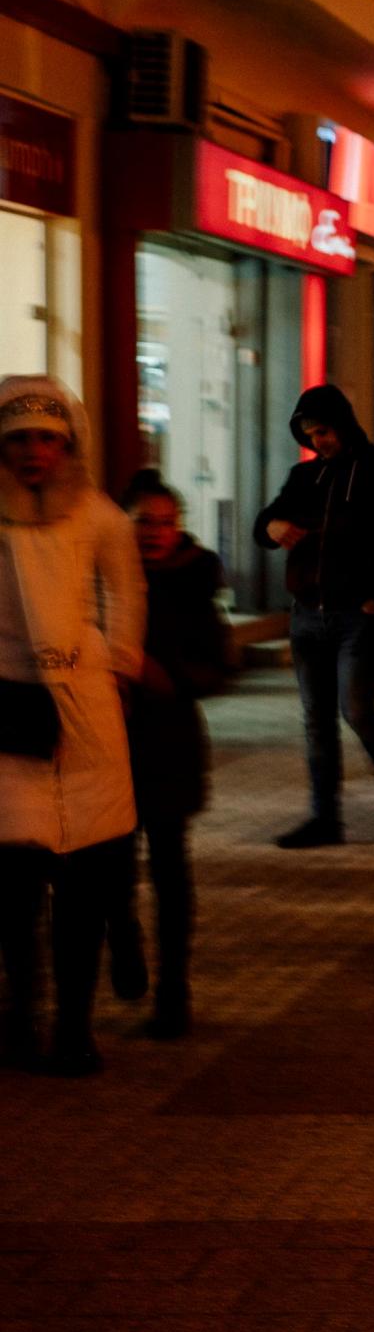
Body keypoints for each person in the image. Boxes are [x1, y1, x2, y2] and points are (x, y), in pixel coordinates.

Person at [0, 378, 143, 1075]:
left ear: (68, 444)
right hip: (6, 714)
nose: (33, 451)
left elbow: (127, 588)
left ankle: (75, 1026)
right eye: (20, 438)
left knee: (84, 886)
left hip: (85, 720)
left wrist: (115, 662)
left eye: (46, 438)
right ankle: (19, 1020)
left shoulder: (97, 516)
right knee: (12, 890)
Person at [255, 385, 374, 847]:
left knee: (357, 710)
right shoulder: (305, 478)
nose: (317, 441)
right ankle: (325, 818)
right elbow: (264, 523)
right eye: (309, 434)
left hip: (355, 616)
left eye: (323, 431)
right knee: (317, 720)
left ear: (343, 423)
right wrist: (272, 526)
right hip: (307, 615)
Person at [113, 472, 232, 1039]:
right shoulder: (104, 580)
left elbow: (218, 663)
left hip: (169, 740)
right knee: (110, 866)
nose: (155, 533)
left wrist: (166, 677)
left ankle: (173, 989)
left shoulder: (193, 581)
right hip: (108, 742)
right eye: (144, 522)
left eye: (166, 522)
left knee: (168, 867)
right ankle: (124, 941)